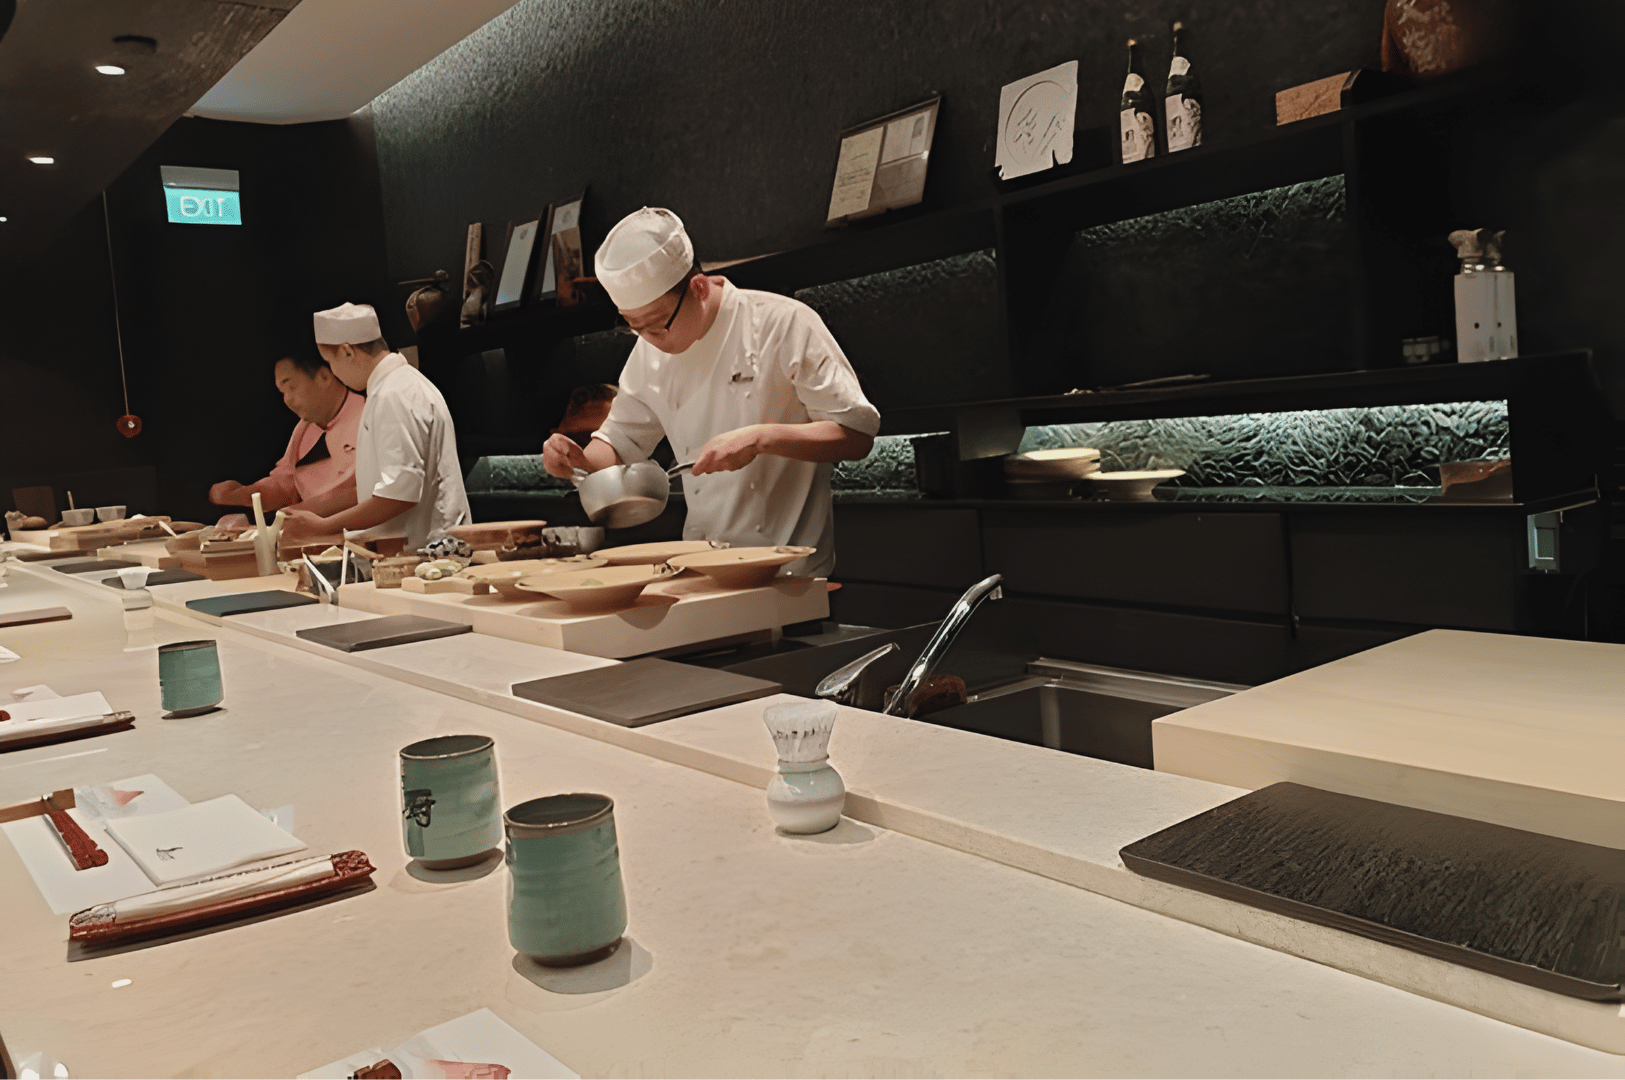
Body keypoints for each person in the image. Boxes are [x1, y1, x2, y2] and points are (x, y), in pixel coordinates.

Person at [541, 207, 879, 578]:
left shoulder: (782, 324)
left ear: (699, 288)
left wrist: (760, 438)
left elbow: (856, 436)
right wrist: (578, 461)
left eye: (657, 324)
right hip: (703, 570)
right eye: (634, 327)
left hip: (789, 575)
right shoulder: (649, 349)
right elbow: (619, 445)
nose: (649, 340)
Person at [282, 303, 470, 551]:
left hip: (428, 554)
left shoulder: (392, 394)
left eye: (330, 361)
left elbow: (399, 495)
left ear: (347, 352)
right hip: (421, 549)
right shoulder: (398, 385)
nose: (334, 372)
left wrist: (323, 526)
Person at [208, 354, 362, 516]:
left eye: (291, 387)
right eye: (282, 393)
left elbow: (366, 494)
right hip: (304, 523)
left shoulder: (367, 416)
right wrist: (246, 494)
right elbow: (287, 485)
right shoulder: (304, 428)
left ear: (324, 376)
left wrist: (298, 513)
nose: (287, 399)